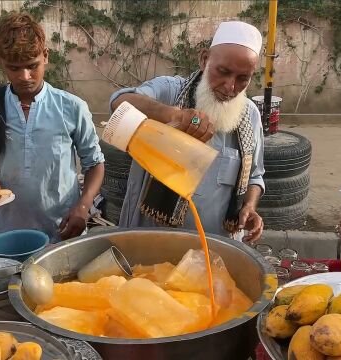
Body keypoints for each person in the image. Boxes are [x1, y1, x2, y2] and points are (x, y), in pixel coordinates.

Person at [109, 21, 265, 243]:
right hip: (152, 241)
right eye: (223, 72)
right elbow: (119, 102)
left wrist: (249, 206)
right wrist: (172, 116)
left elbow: (255, 176)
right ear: (204, 60)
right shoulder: (169, 91)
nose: (230, 87)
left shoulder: (249, 115)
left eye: (243, 79)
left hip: (216, 247)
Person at [0, 13, 104, 242]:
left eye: (32, 66)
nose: (25, 76)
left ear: (45, 56)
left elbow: (94, 164)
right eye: (14, 68)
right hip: (7, 232)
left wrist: (83, 207)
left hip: (62, 232)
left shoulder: (72, 107)